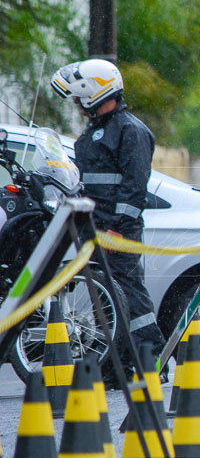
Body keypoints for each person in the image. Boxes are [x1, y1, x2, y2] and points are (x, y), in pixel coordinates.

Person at [50, 59, 165, 366]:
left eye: (78, 97)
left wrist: (119, 227)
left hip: (117, 230)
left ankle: (150, 357)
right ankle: (121, 362)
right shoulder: (94, 132)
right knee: (107, 296)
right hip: (92, 227)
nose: (76, 104)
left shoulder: (130, 130)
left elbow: (134, 186)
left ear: (95, 92)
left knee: (128, 291)